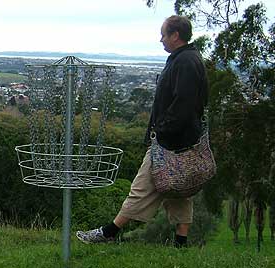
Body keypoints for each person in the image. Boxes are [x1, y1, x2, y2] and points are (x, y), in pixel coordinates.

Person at [75, 15, 209, 248]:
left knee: (142, 185)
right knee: (179, 189)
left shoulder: (185, 61)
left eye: (164, 34)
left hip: (171, 141)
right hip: (184, 139)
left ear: (175, 35)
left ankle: (109, 232)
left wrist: (161, 130)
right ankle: (181, 242)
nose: (161, 39)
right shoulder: (187, 58)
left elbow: (184, 104)